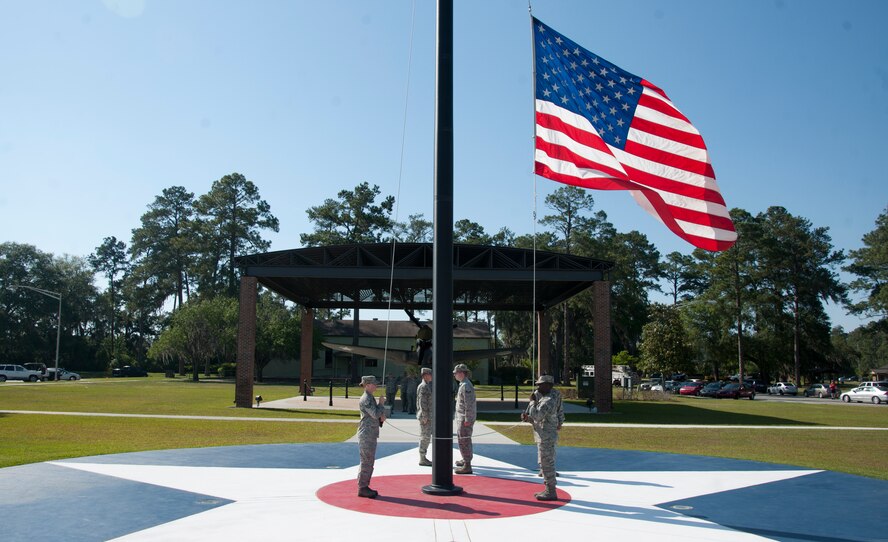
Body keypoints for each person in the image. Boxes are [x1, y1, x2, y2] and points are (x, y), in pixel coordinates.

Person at [522, 374, 563, 501]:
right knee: (545, 462)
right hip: (545, 433)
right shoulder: (554, 395)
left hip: (546, 436)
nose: (538, 387)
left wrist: (532, 401)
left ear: (549, 385)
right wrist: (528, 419)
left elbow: (538, 415)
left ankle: (551, 491)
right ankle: (548, 489)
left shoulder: (548, 399)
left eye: (541, 385)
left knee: (547, 463)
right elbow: (540, 418)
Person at [357, 375, 386, 498]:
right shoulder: (367, 399)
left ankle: (364, 485)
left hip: (370, 433)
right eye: (374, 383)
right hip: (366, 434)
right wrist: (381, 404)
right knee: (366, 461)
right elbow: (374, 414)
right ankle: (363, 487)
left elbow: (373, 416)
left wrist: (381, 419)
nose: (376, 385)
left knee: (368, 461)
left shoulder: (369, 397)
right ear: (367, 385)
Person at [453, 363, 476, 474]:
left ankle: (467, 465)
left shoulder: (466, 385)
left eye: (456, 373)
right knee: (463, 439)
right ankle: (465, 459)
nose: (454, 375)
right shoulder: (463, 384)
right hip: (461, 417)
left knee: (464, 440)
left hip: (464, 418)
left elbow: (468, 404)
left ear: (461, 373)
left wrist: (467, 419)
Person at [416, 367, 433, 466]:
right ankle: (422, 458)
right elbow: (422, 402)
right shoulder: (423, 386)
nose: (431, 376)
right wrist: (425, 416)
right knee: (425, 437)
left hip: (427, 415)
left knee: (426, 436)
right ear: (425, 375)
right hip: (425, 416)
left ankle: (423, 456)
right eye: (430, 374)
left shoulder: (426, 385)